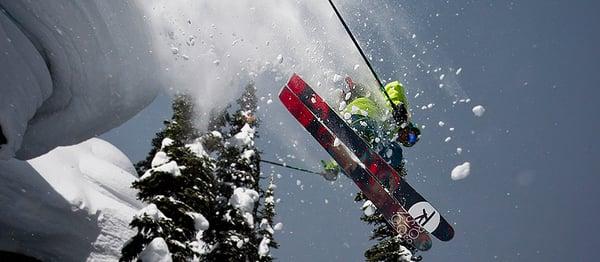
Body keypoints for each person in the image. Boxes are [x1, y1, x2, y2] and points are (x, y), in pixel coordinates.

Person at [321, 77, 421, 181]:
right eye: (411, 136)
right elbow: (395, 86)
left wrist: (334, 167)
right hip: (362, 114)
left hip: (352, 120)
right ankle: (362, 137)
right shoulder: (399, 118)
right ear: (410, 128)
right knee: (380, 141)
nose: (406, 138)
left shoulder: (391, 136)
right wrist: (399, 106)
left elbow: (347, 152)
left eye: (407, 141)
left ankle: (383, 177)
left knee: (390, 152)